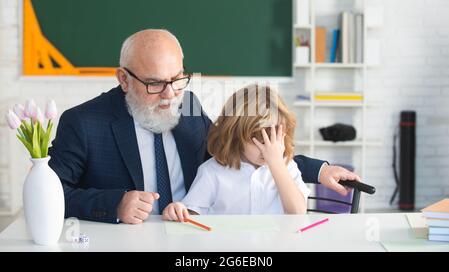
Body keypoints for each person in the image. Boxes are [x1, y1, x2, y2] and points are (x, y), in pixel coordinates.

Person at [48, 29, 360, 224]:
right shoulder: (83, 123)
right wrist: (114, 205)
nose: (170, 96)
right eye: (155, 84)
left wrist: (318, 170)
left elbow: (236, 147)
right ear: (123, 79)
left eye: (177, 79)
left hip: (193, 238)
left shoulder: (189, 105)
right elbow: (51, 195)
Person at [162, 85, 310, 222]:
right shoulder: (212, 172)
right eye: (261, 136)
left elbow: (297, 214)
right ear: (236, 135)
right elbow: (191, 215)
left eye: (275, 134)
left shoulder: (287, 166)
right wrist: (178, 212)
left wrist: (277, 164)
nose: (270, 147)